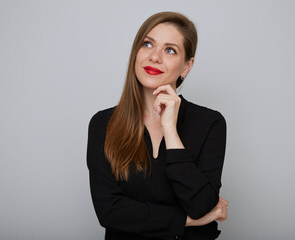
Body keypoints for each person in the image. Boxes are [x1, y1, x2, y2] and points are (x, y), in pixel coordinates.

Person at [87, 11, 229, 240]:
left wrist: (170, 131)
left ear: (186, 66)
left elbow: (202, 204)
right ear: (136, 53)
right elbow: (110, 211)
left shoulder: (210, 123)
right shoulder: (103, 124)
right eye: (147, 44)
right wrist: (187, 220)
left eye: (170, 50)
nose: (155, 57)